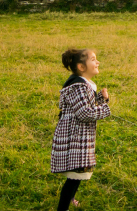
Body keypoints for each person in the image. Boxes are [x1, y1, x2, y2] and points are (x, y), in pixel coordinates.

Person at [51, 49, 111, 211]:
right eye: (93, 59)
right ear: (81, 67)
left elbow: (86, 106)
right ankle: (63, 207)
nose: (97, 62)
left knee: (78, 173)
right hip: (75, 137)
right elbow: (85, 113)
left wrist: (101, 99)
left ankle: (70, 199)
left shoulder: (84, 85)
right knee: (74, 176)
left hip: (80, 135)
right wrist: (105, 109)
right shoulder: (78, 87)